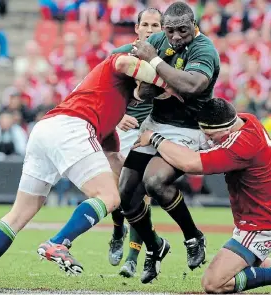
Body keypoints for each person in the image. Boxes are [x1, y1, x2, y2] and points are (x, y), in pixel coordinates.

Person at [0, 52, 176, 291]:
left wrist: (137, 182)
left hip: (45, 131)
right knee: (107, 197)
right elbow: (124, 62)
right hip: (72, 128)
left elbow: (114, 161)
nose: (141, 99)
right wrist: (168, 83)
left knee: (19, 213)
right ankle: (58, 242)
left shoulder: (112, 109)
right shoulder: (118, 64)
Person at [134, 97, 271, 294]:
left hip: (261, 225)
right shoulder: (247, 120)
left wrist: (154, 138)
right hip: (262, 217)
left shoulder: (241, 146)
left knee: (214, 283)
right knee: (257, 263)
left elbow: (191, 164)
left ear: (227, 129)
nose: (209, 140)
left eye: (212, 135)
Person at [118, 1, 220, 283]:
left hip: (188, 129)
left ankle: (193, 237)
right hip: (155, 124)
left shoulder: (204, 49)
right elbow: (138, 79)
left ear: (194, 25)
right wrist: (145, 87)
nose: (175, 37)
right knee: (126, 191)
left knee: (155, 182)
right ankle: (154, 246)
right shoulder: (157, 40)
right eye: (170, 31)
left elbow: (191, 86)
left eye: (182, 31)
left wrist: (155, 63)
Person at [107, 7, 163, 278]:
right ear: (137, 28)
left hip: (153, 132)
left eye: (156, 25)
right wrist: (118, 118)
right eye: (146, 24)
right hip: (123, 129)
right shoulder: (120, 55)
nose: (150, 29)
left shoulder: (170, 58)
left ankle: (132, 258)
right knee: (117, 193)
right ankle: (118, 230)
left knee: (141, 194)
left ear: (163, 30)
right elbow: (103, 95)